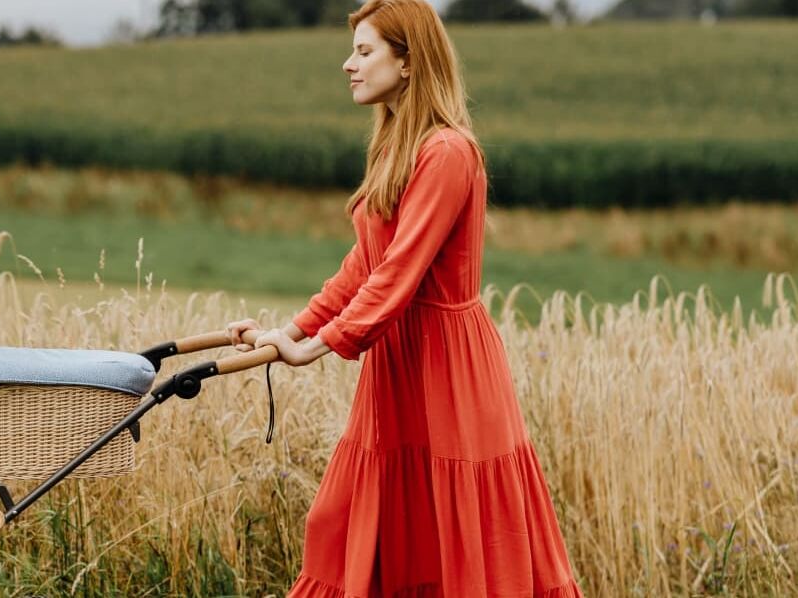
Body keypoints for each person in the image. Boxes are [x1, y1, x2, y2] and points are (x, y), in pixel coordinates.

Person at [226, 1, 584, 595]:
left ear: (409, 62)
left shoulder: (447, 152)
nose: (348, 64)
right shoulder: (395, 145)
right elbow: (363, 266)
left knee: (456, 540)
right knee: (345, 523)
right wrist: (289, 332)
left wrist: (318, 347)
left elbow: (400, 273)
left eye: (364, 52)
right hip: (397, 364)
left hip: (448, 368)